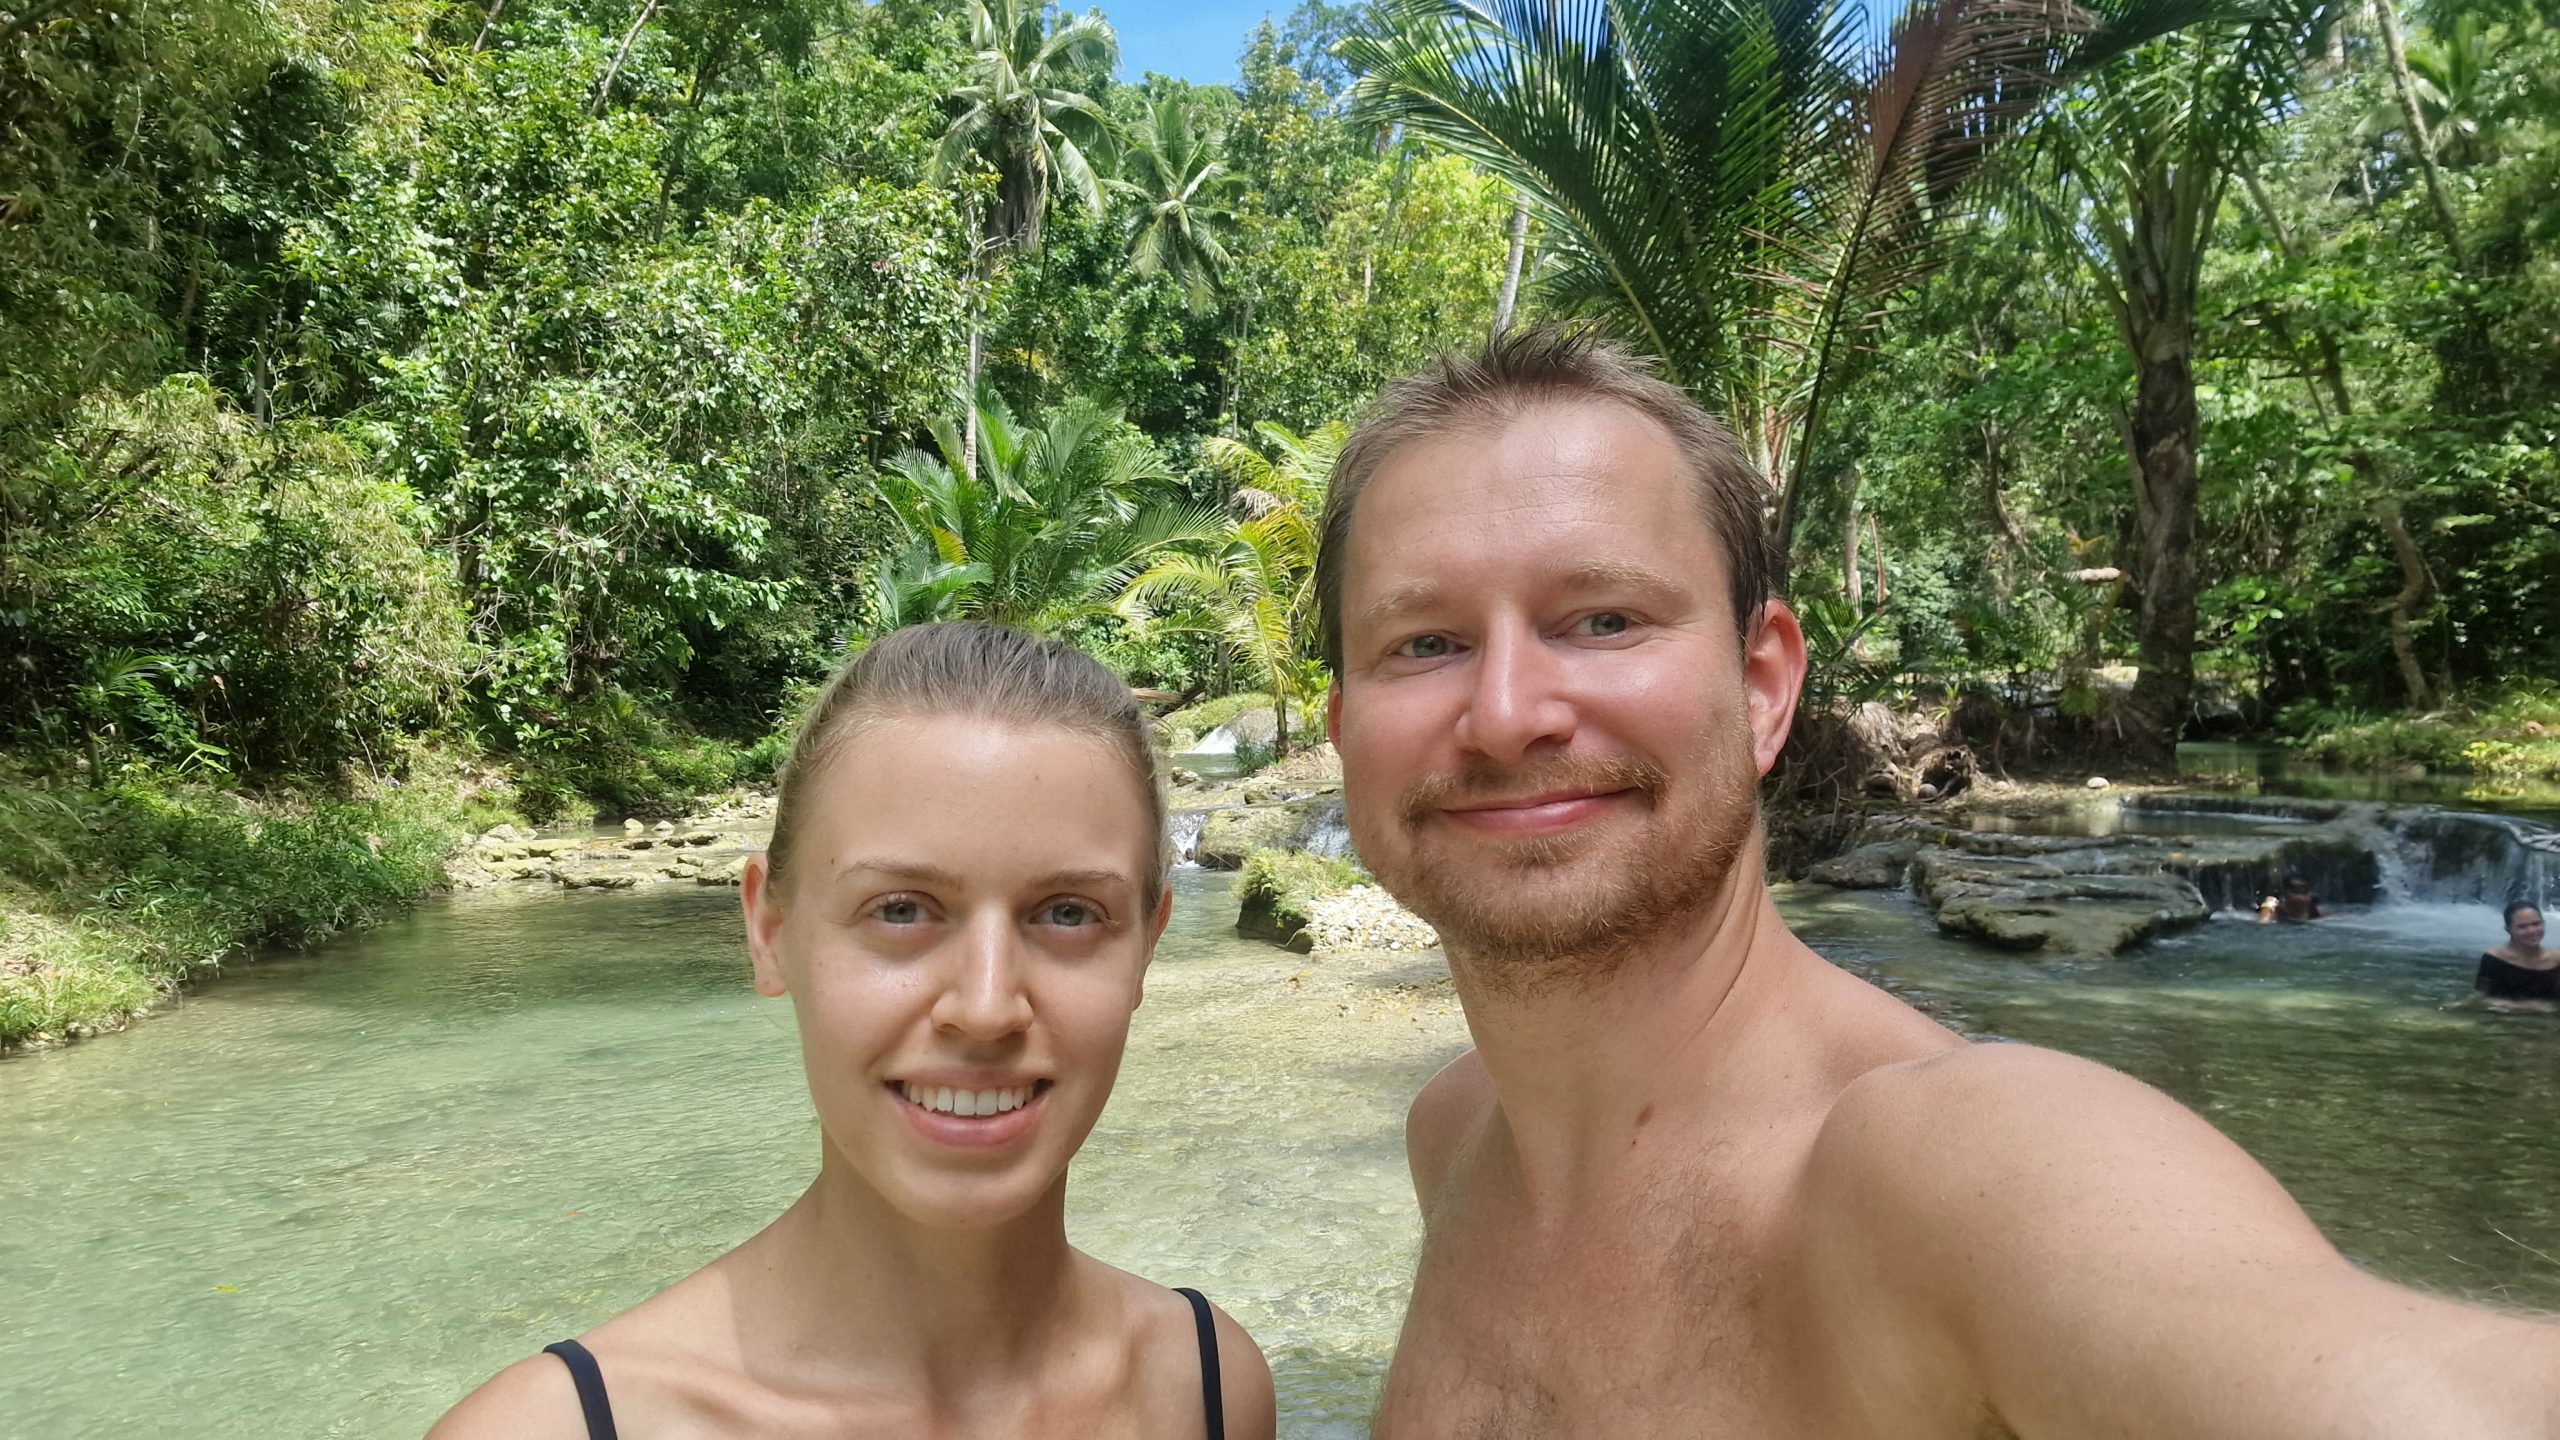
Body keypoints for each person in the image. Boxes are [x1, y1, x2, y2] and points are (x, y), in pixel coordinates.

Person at [1315, 327, 2560, 1439]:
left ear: (1762, 687)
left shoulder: (1952, 1177)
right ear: (1343, 728)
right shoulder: (1456, 1136)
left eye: (1602, 619)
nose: (1506, 713)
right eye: (1424, 643)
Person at [429, 623, 1274, 1440]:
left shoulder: (1205, 1386)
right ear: (770, 931)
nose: (986, 1008)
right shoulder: (550, 1428)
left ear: (1147, 945)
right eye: (900, 910)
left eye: (1068, 913)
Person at [2474, 900, 2556, 1004]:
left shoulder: (2556, 960)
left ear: (2543, 923)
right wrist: (2535, 1007)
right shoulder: (2494, 959)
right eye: (2522, 926)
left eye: (2536, 924)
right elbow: (2480, 999)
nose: (2531, 931)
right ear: (2508, 929)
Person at [2256, 874, 2324, 923]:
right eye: (2296, 892)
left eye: (2304, 892)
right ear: (2285, 894)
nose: (2300, 897)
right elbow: (2263, 921)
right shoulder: (2272, 905)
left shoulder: (2314, 909)